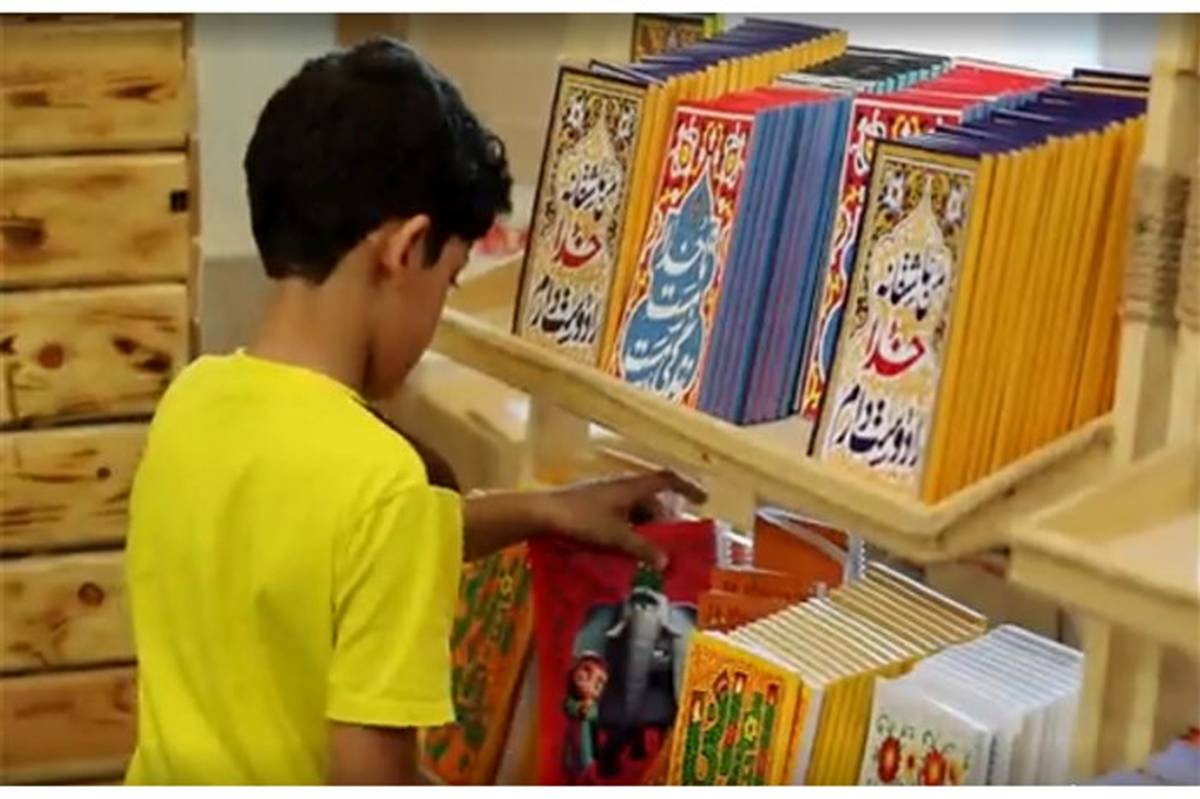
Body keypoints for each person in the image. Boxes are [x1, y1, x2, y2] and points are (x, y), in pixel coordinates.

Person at [123, 37, 705, 786]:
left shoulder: (193, 401)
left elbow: (330, 544)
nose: (438, 312)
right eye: (450, 281)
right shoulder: (384, 484)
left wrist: (543, 511)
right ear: (407, 248)